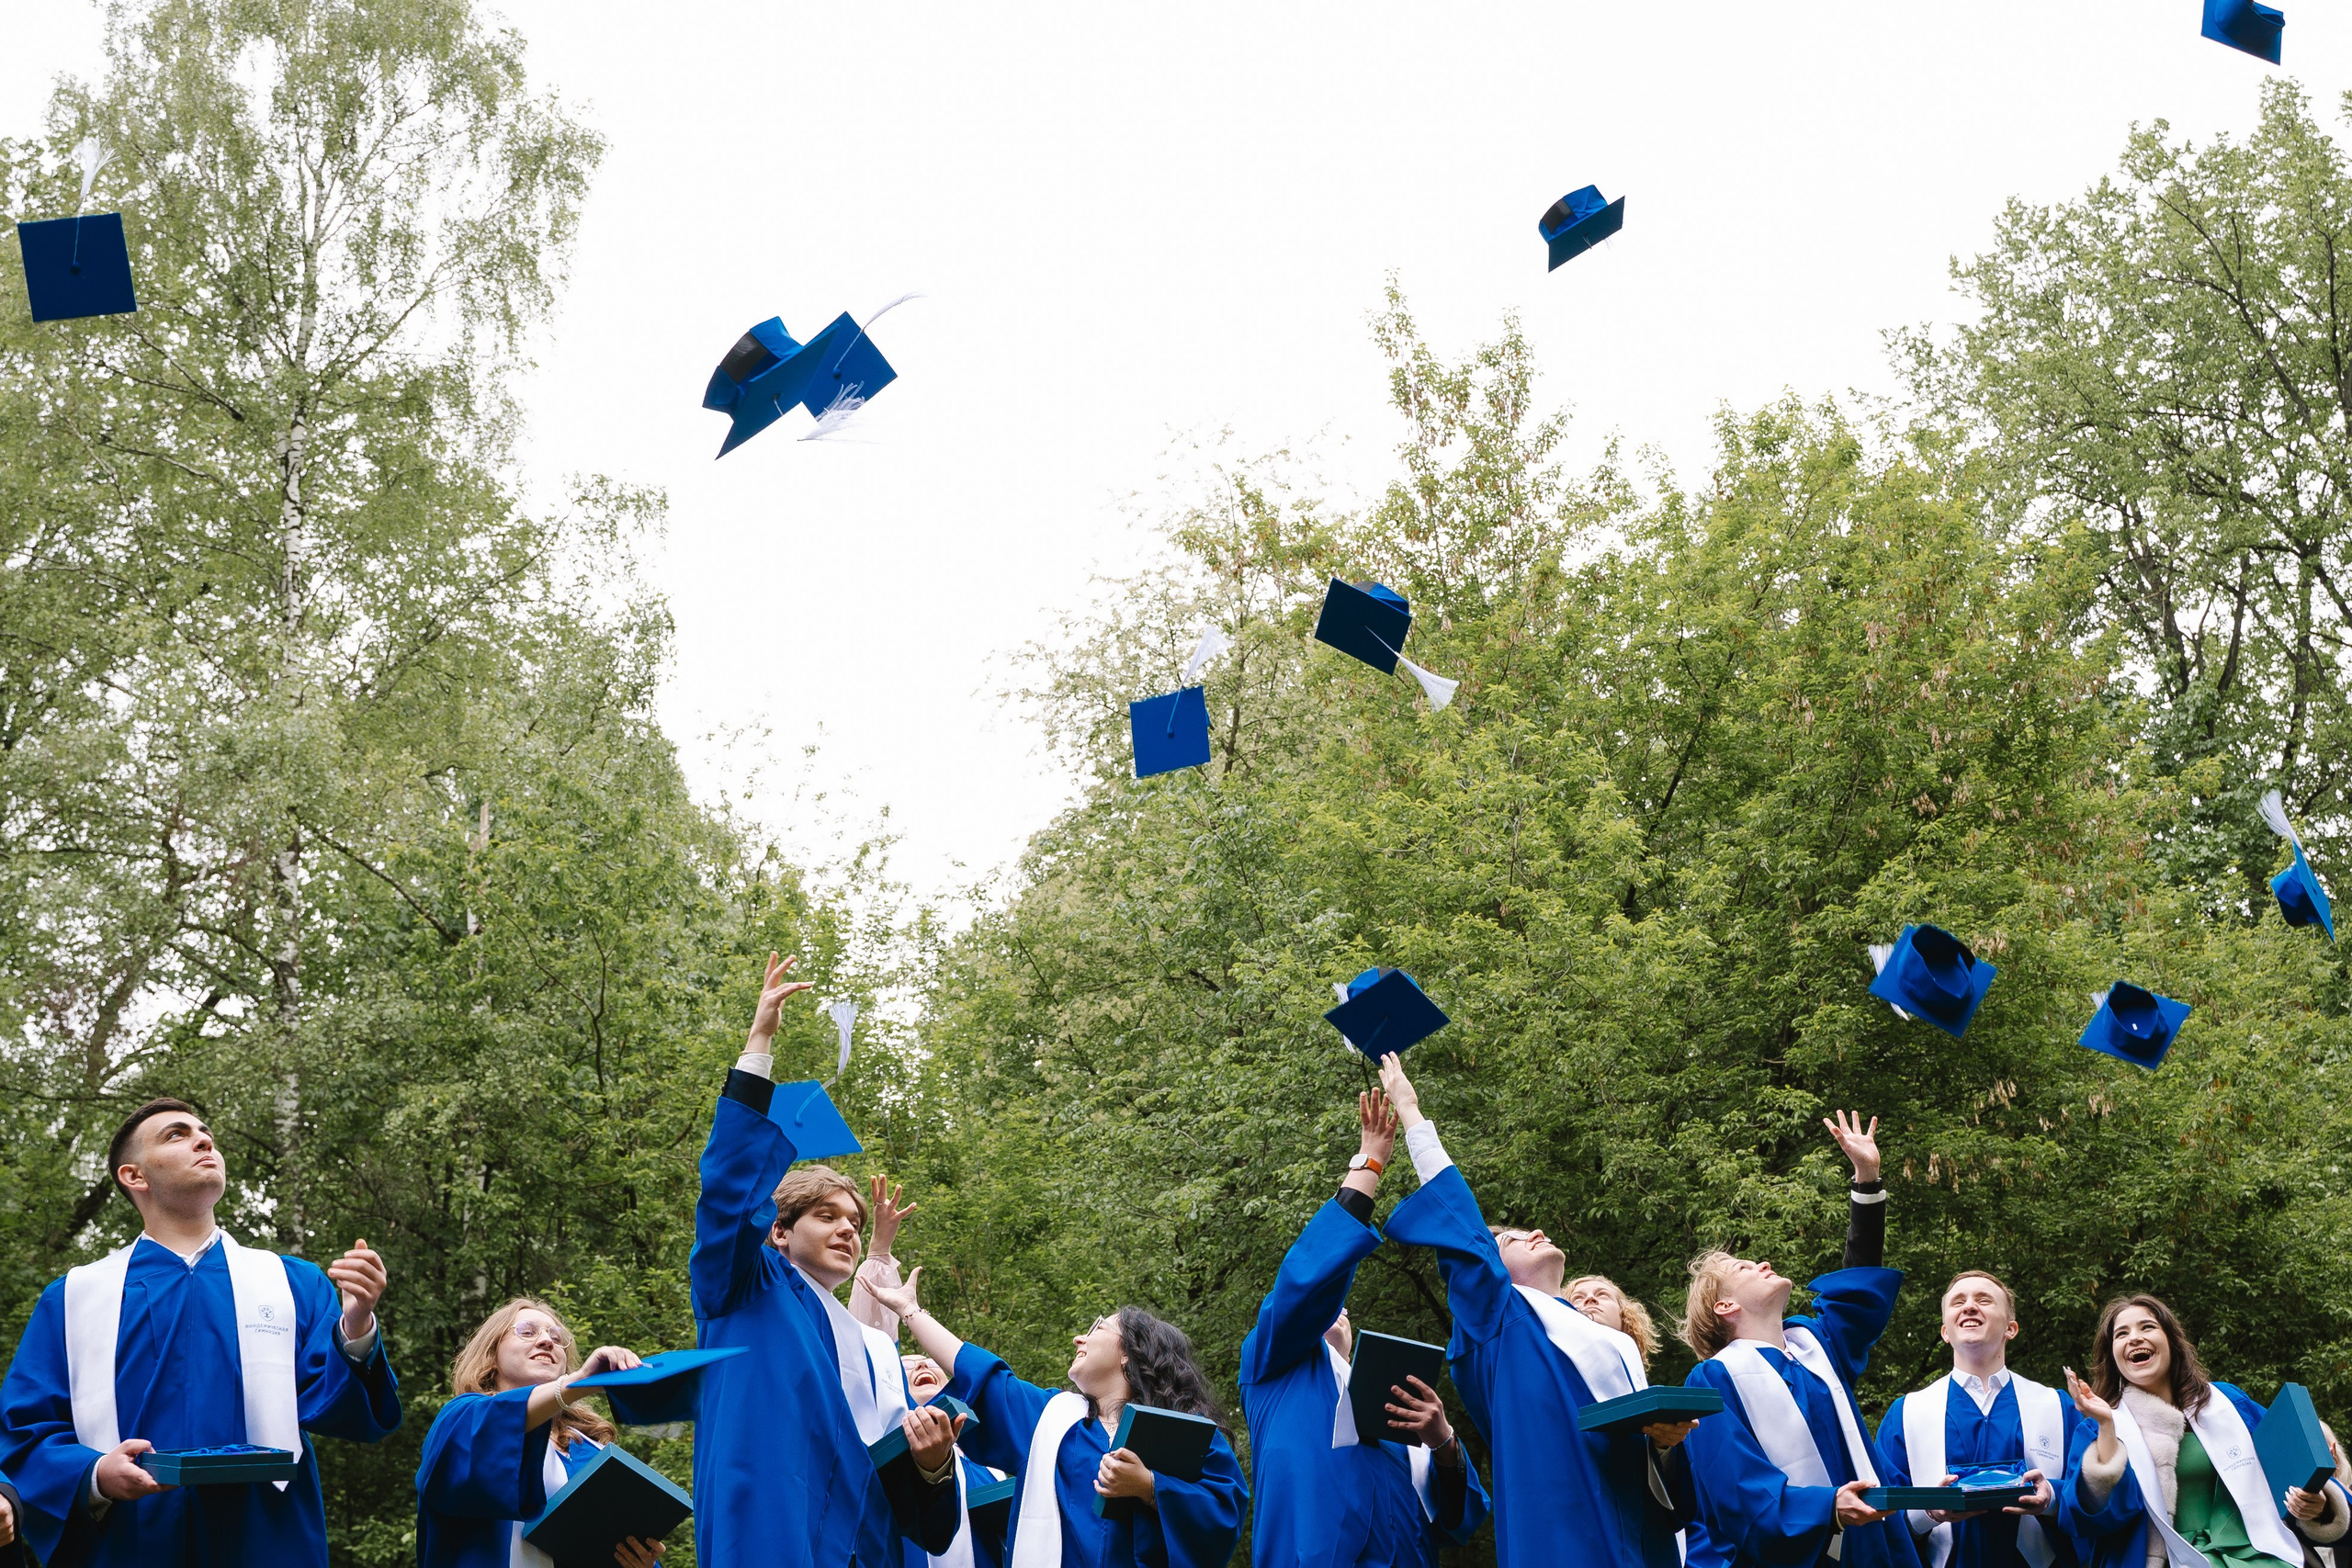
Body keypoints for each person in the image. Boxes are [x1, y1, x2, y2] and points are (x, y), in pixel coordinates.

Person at [0, 1097, 401, 1566]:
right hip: (127, 1542)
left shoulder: (290, 1282)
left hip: (264, 1537)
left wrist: (355, 1325)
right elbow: (23, 1431)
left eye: (204, 1132)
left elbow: (341, 1411)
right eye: (177, 1135)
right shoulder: (74, 1297)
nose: (204, 1140)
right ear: (135, 1176)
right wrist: (92, 1474)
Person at [692, 953, 966, 1568]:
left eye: (856, 1221)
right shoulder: (747, 1287)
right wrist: (759, 1042)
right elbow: (728, 1199)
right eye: (826, 1215)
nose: (847, 1227)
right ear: (779, 1231)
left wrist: (931, 1463)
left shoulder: (873, 1347)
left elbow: (902, 1487)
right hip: (772, 1535)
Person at [1374, 1053, 1694, 1568]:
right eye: (1516, 1240)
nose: (1537, 1233)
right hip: (1565, 1533)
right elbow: (1464, 1233)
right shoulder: (1500, 1321)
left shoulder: (1603, 1342)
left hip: (1639, 1537)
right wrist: (1411, 1113)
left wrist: (1664, 1444)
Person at [1238, 1087, 1491, 1568]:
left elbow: (1457, 1520)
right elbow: (1306, 1285)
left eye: (1346, 1308)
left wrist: (1442, 1441)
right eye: (1330, 1305)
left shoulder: (1390, 1398)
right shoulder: (1275, 1367)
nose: (1339, 1309)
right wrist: (1369, 1163)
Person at [865, 1267, 1248, 1568]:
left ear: (1129, 1353)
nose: (1079, 1339)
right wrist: (910, 1311)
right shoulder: (1053, 1420)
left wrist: (1149, 1487)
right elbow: (979, 1370)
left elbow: (1223, 1513)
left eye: (1097, 1328)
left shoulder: (1187, 1435)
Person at [1677, 1111, 1917, 1568]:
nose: (1763, 1263)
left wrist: (1867, 1180)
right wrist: (1825, 1508)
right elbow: (1734, 1487)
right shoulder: (1711, 1380)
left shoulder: (1815, 1345)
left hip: (1872, 1547)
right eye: (1745, 1269)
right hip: (1802, 1550)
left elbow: (1857, 1286)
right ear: (1725, 1308)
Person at [2057, 1294, 2349, 1568]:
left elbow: (2289, 1468)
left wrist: (2318, 1507)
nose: (2134, 1338)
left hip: (2262, 1556)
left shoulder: (2229, 1403)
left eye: (2147, 1326)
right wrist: (2107, 1426)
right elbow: (2084, 1519)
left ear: (2171, 1341)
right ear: (2113, 1355)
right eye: (2122, 1334)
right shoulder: (2097, 1429)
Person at [414, 1298, 665, 1567]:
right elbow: (491, 1429)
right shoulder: (460, 1421)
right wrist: (576, 1384)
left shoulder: (594, 1452)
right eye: (527, 1331)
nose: (547, 1341)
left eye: (557, 1337)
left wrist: (642, 1562)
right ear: (492, 1354)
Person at [851, 1177, 1013, 1568]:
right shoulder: (887, 1430)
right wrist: (878, 1251)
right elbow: (867, 1348)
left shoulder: (992, 1472)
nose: (923, 1362)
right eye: (908, 1366)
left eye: (930, 1364)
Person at [1875, 1272, 2078, 1568]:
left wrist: (2053, 1499)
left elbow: (2093, 1498)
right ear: (1946, 1332)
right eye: (1959, 1302)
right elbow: (1881, 1512)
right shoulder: (1907, 1412)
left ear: (2011, 1328)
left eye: (1984, 1300)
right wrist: (1928, 1512)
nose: (1970, 1307)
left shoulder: (2056, 1406)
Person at [1566, 1277, 1664, 1371]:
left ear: (1624, 1315)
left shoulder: (1637, 1382)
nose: (1590, 1297)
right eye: (1578, 1298)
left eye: (1602, 1294)